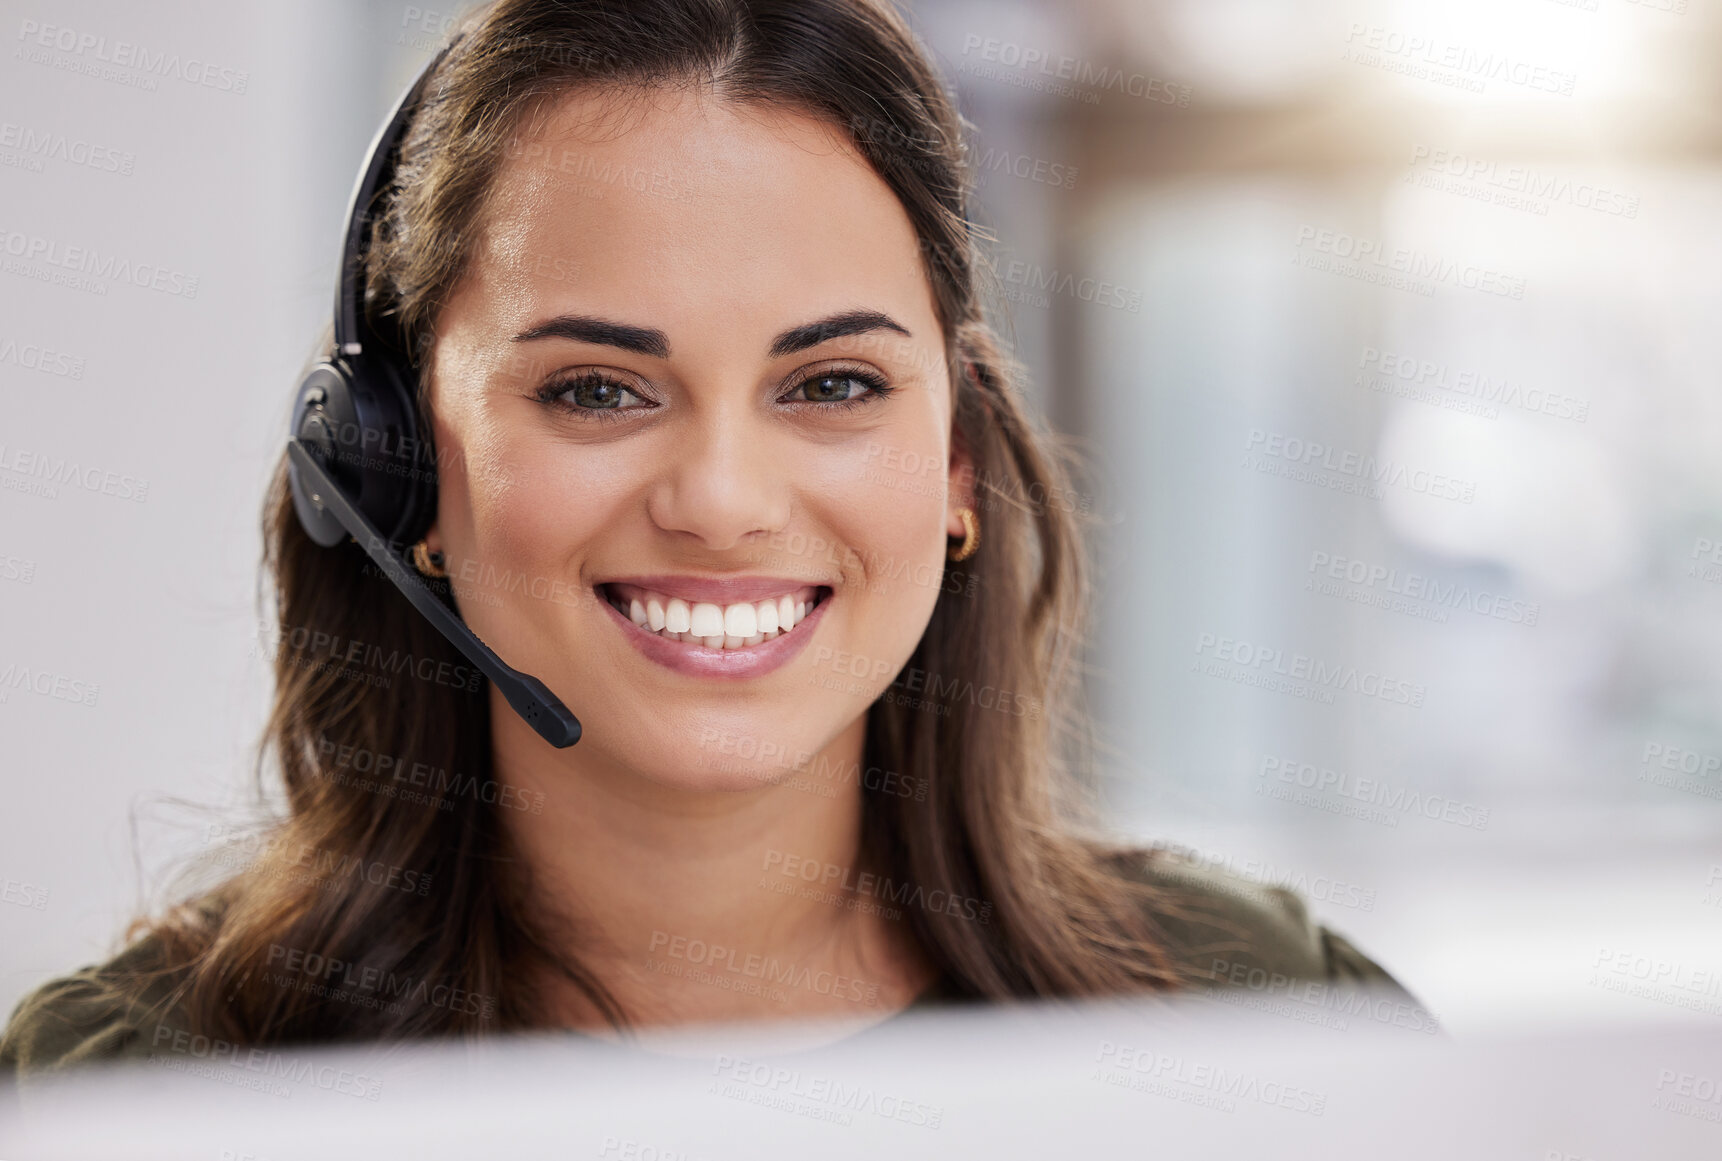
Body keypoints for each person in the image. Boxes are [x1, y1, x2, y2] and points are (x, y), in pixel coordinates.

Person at [1, 0, 1420, 1081]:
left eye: (830, 385)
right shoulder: (137, 1089)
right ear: (394, 472)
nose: (723, 499)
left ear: (958, 464)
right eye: (596, 390)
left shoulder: (1261, 1009)